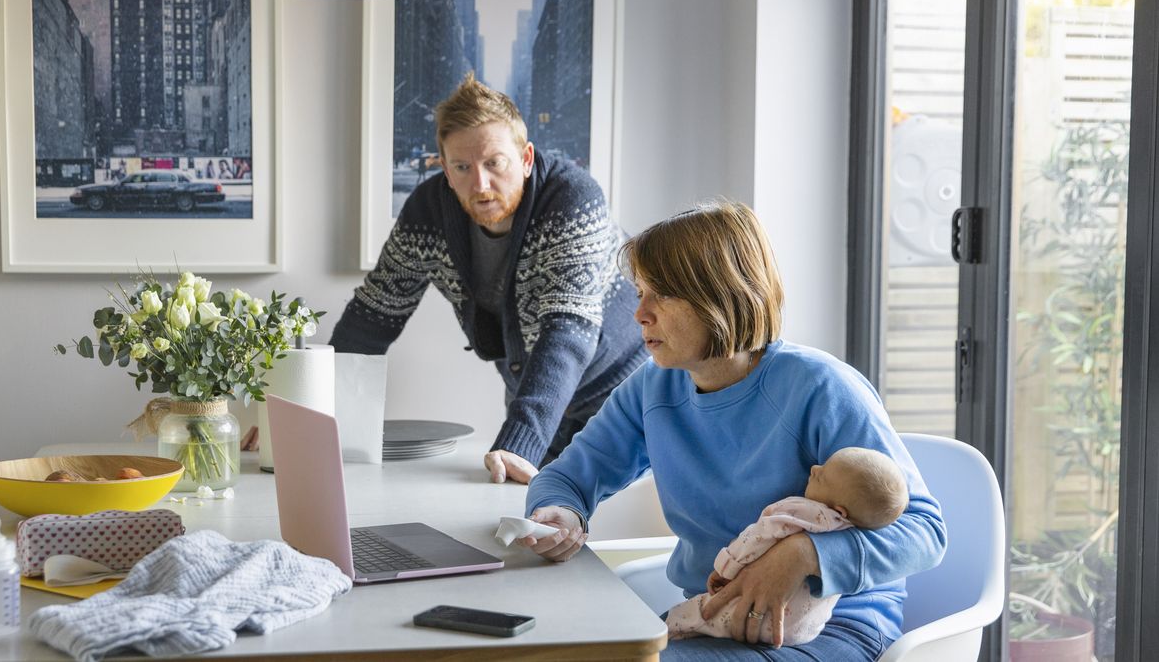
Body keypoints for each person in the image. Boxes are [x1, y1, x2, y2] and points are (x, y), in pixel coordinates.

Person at [521, 202, 946, 660]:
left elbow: (925, 532)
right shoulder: (653, 387)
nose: (640, 313)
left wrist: (802, 554)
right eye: (640, 292)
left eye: (661, 294)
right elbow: (566, 477)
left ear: (720, 295)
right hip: (715, 620)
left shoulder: (821, 388)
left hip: (826, 629)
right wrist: (560, 513)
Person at [330, 74, 647, 484]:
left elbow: (566, 331)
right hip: (538, 399)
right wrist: (303, 415)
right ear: (444, 167)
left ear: (526, 158)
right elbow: (372, 317)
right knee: (525, 526)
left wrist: (518, 444)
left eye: (494, 163)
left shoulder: (571, 199)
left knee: (587, 527)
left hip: (620, 394)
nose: (480, 184)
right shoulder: (427, 213)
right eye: (462, 167)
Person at [666, 447, 909, 645]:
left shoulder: (797, 510)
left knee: (686, 618)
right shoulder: (852, 526)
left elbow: (756, 537)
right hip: (802, 629)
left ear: (839, 509)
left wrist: (726, 567)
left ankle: (674, 627)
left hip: (750, 611)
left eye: (822, 475)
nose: (814, 468)